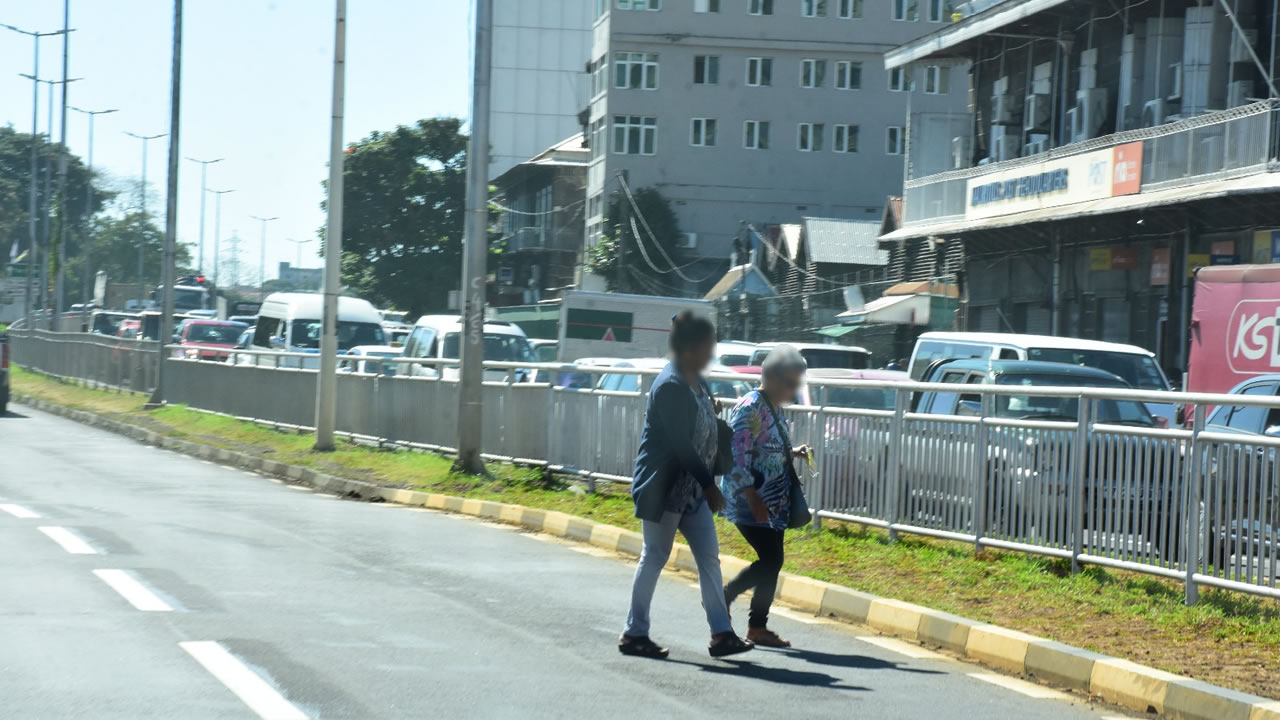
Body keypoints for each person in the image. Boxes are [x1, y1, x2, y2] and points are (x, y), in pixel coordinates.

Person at [619, 311, 754, 660]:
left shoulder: (694, 381)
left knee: (709, 558)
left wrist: (712, 412)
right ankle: (634, 633)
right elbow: (682, 445)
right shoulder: (670, 385)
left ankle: (721, 634)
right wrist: (711, 486)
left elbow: (700, 423)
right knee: (655, 556)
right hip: (665, 489)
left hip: (691, 492)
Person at [720, 345, 811, 648]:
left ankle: (757, 627)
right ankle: (725, 597)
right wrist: (753, 497)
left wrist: (792, 451)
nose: (794, 390)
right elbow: (737, 457)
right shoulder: (749, 408)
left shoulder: (773, 406)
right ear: (771, 377)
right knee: (771, 559)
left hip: (773, 500)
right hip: (750, 500)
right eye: (790, 383)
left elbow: (765, 444)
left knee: (773, 560)